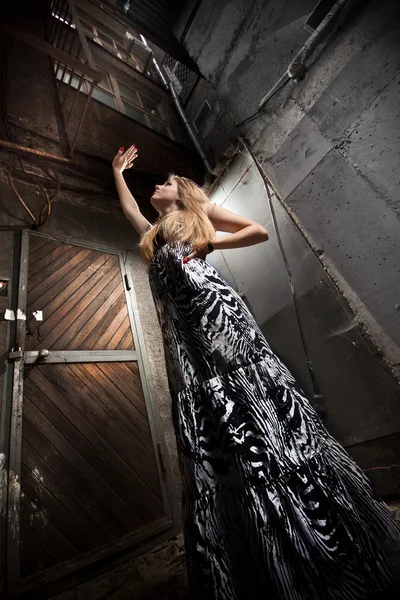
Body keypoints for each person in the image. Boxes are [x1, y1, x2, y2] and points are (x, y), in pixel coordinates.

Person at [112, 145, 399, 600]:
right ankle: (253, 534)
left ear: (180, 192)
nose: (157, 186)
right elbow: (129, 207)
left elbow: (257, 230)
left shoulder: (195, 210)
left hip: (218, 319)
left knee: (252, 403)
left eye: (164, 181)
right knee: (212, 418)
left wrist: (207, 243)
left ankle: (309, 524)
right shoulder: (154, 234)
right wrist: (116, 173)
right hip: (186, 341)